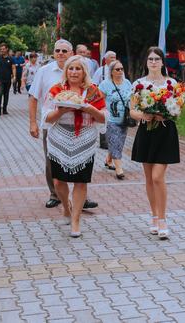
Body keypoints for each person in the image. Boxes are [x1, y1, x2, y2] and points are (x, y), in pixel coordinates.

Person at [29, 40, 99, 210]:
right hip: (54, 124)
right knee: (52, 161)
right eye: (57, 50)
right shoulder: (44, 71)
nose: (60, 53)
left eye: (64, 51)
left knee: (80, 160)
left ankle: (81, 197)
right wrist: (33, 123)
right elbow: (33, 97)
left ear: (71, 53)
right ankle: (55, 194)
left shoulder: (81, 69)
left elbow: (91, 94)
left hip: (81, 126)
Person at [42, 55, 107, 237]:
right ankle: (66, 206)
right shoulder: (57, 90)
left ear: (84, 72)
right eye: (71, 68)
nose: (74, 72)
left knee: (80, 181)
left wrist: (90, 109)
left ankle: (76, 220)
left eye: (78, 68)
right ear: (66, 71)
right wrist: (61, 111)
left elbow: (103, 118)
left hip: (85, 139)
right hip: (59, 139)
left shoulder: (93, 92)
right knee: (58, 181)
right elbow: (46, 117)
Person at [130, 47, 181, 240]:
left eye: (156, 59)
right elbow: (132, 110)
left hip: (165, 131)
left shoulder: (171, 83)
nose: (153, 62)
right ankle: (153, 216)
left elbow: (178, 110)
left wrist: (166, 114)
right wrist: (144, 115)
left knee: (158, 176)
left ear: (162, 62)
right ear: (146, 62)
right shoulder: (138, 84)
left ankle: (163, 219)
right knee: (149, 178)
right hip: (146, 132)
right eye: (150, 59)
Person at [99, 60, 133, 179]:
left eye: (122, 69)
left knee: (119, 142)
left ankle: (108, 160)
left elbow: (132, 99)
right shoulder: (105, 84)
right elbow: (99, 100)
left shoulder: (127, 83)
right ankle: (119, 169)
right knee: (115, 141)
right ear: (111, 71)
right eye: (117, 69)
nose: (120, 71)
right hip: (111, 119)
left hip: (124, 119)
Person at [0, 42, 15, 116]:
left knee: (6, 94)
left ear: (7, 49)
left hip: (8, 80)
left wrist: (14, 76)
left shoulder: (11, 59)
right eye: (1, 49)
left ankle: (4, 109)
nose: (2, 50)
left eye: (3, 49)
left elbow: (13, 68)